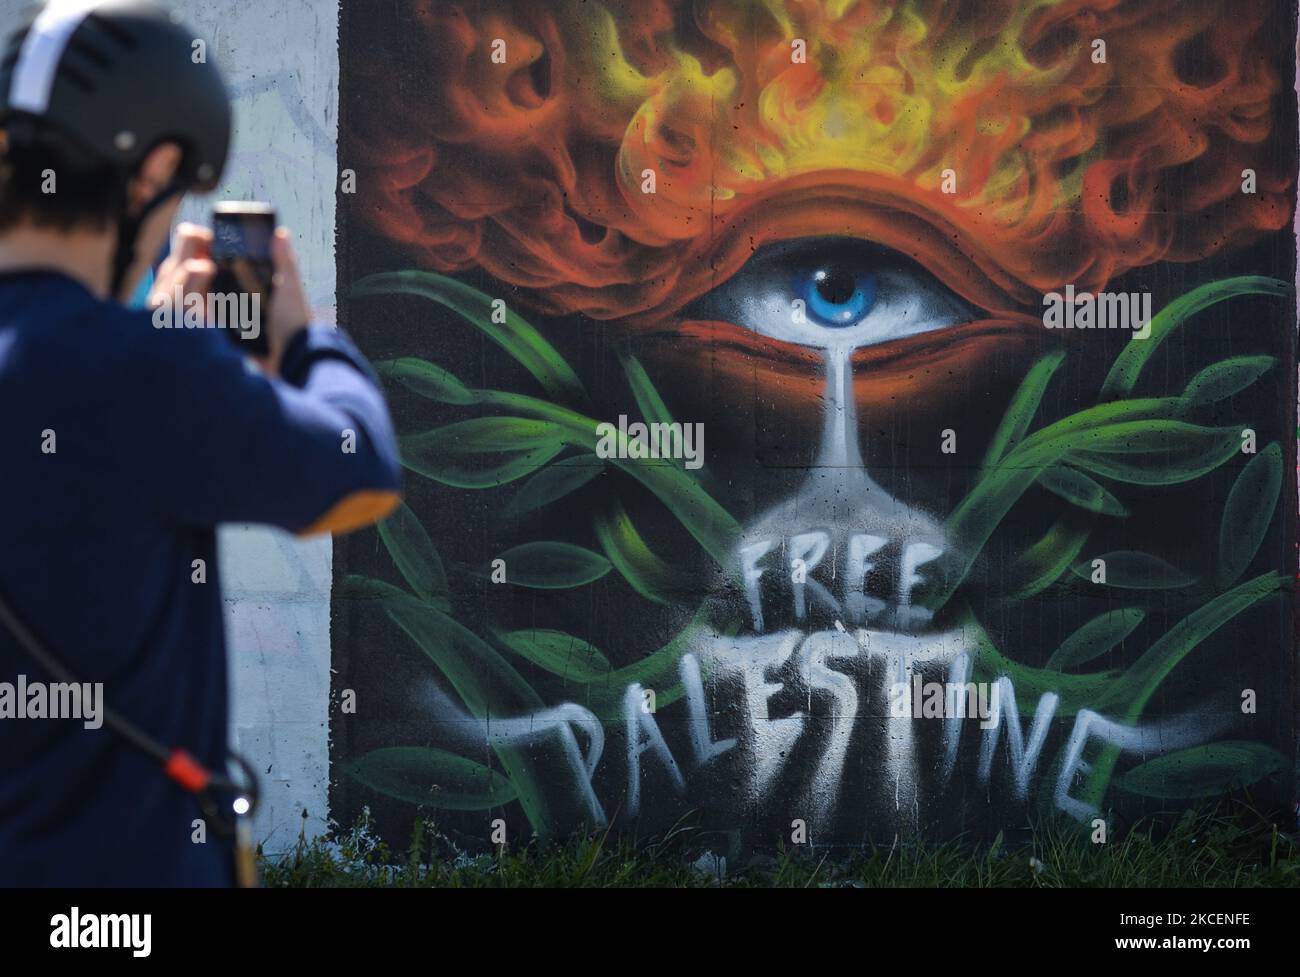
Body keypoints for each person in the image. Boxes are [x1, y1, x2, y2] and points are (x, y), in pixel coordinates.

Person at [0, 0, 402, 885]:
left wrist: (153, 339)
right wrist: (304, 339)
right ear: (156, 170)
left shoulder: (129, 366)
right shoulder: (145, 372)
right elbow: (359, 473)